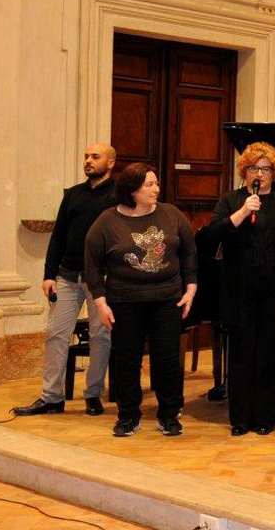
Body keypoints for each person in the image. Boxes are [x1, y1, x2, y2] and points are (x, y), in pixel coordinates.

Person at [204, 142, 275, 435]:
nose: (260, 174)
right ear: (245, 171)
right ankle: (240, 419)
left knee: (271, 352)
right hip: (239, 288)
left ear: (274, 172)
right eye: (254, 168)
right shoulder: (231, 200)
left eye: (266, 169)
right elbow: (212, 235)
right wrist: (242, 212)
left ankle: (266, 417)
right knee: (241, 352)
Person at [83, 164, 196, 438]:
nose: (156, 189)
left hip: (167, 299)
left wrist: (191, 288)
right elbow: (92, 264)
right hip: (124, 300)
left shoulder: (172, 214)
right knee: (127, 360)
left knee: (167, 359)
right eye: (149, 184)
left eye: (156, 183)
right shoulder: (107, 221)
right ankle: (128, 416)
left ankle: (169, 415)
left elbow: (189, 252)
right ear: (132, 190)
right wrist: (100, 302)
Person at [14, 144, 117, 418]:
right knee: (56, 334)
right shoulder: (73, 194)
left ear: (110, 163)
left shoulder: (119, 195)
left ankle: (93, 394)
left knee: (100, 336)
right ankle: (51, 397)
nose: (88, 160)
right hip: (68, 275)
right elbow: (58, 235)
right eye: (86, 156)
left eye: (95, 157)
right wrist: (49, 274)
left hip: (101, 278)